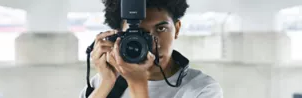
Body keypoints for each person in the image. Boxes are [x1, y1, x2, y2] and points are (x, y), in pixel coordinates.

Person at [80, 0, 223, 98]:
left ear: (177, 29)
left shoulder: (202, 89)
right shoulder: (105, 80)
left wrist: (138, 83)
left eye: (161, 28)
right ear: (119, 36)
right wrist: (106, 83)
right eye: (139, 35)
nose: (152, 44)